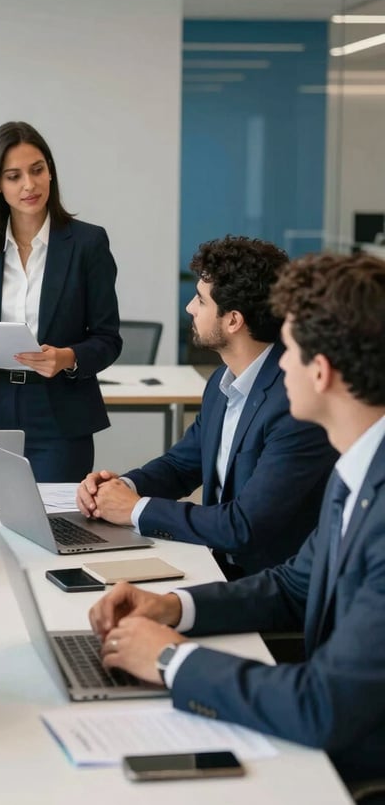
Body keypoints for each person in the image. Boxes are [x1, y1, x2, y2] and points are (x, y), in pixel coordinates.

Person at [88, 252, 385, 788]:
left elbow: (324, 706)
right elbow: (295, 584)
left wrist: (174, 661)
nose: (280, 363)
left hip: (345, 762)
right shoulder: (357, 470)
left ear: (321, 372)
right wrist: (172, 607)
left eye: (290, 350)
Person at [77, 236, 337, 576]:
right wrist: (121, 487)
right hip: (212, 562)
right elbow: (181, 465)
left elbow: (244, 525)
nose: (190, 308)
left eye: (200, 300)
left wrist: (136, 509)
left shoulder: (294, 404)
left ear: (233, 320)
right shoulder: (221, 383)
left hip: (264, 585)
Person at [0, 121, 122, 482]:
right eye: (14, 176)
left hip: (59, 413)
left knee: (53, 528)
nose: (30, 184)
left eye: (38, 170)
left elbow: (108, 338)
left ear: (51, 172)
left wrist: (68, 357)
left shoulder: (88, 244)